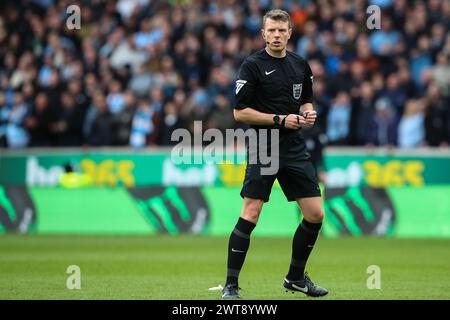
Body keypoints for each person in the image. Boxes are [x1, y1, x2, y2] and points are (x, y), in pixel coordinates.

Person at [222, 9, 328, 299]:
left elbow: (305, 101)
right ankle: (231, 285)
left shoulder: (300, 65)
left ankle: (295, 277)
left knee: (316, 214)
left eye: (282, 30)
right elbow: (240, 112)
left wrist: (308, 114)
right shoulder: (252, 66)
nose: (277, 35)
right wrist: (280, 119)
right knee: (251, 212)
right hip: (263, 145)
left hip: (293, 146)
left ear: (290, 33)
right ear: (264, 34)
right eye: (271, 30)